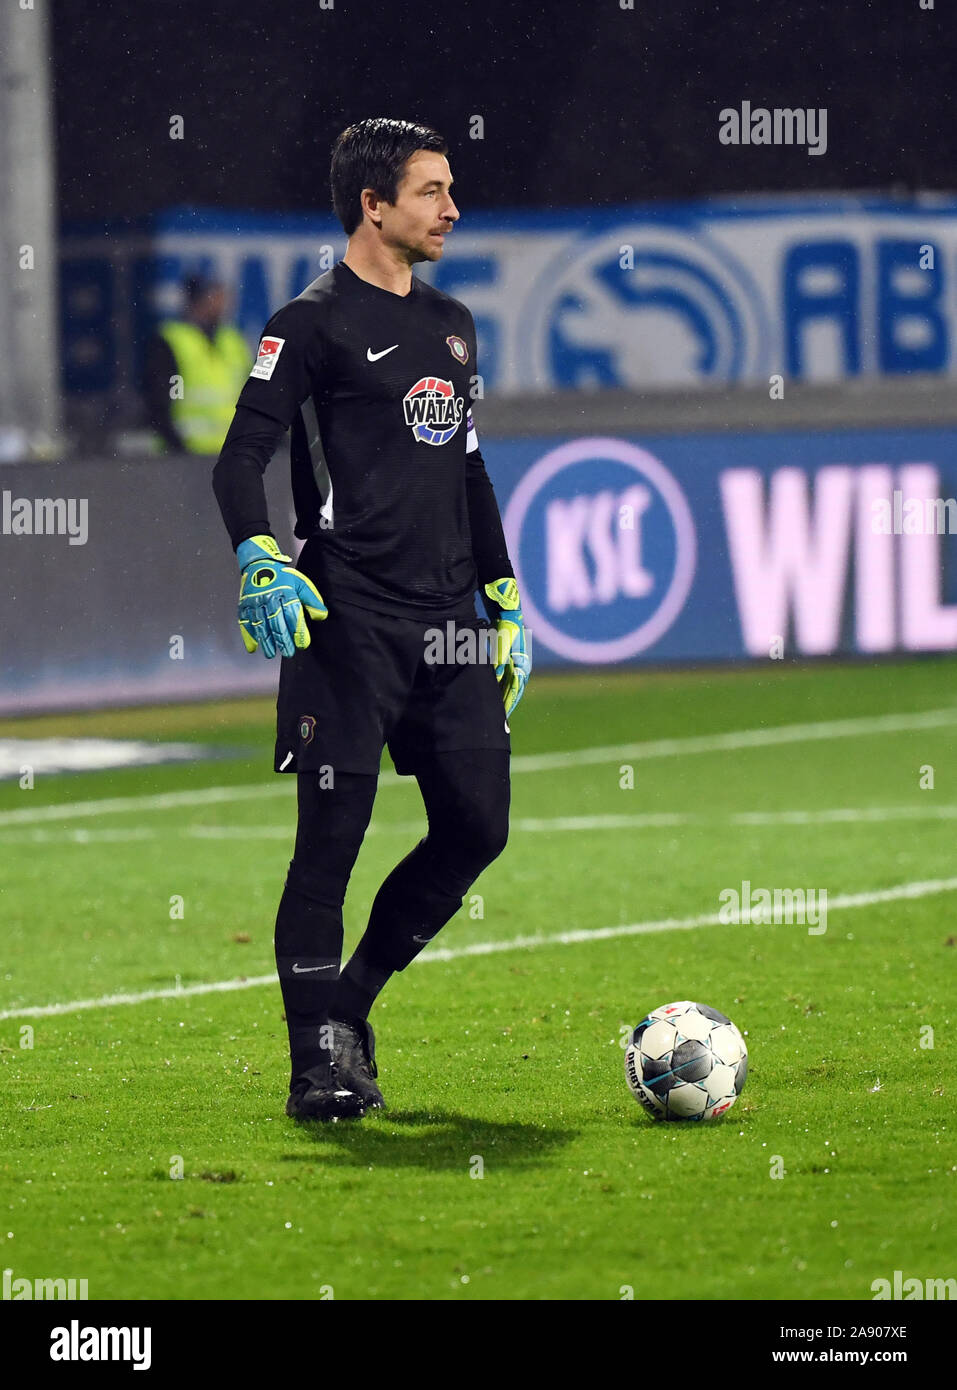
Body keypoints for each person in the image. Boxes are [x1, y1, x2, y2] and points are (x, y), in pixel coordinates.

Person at [212, 117, 531, 1122]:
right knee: (330, 845)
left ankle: (348, 1006)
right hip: (347, 621)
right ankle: (319, 1065)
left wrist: (505, 589)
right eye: (433, 190)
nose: (452, 207)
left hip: (449, 624)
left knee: (479, 825)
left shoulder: (453, 321)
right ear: (374, 205)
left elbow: (468, 466)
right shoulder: (307, 325)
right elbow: (239, 457)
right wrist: (258, 551)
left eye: (450, 188)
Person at [147, 275, 251, 453]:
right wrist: (176, 444)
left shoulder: (233, 341)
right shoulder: (172, 341)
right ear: (197, 300)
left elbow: (253, 394)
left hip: (231, 452)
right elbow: (160, 402)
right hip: (186, 453)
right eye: (214, 296)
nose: (222, 303)